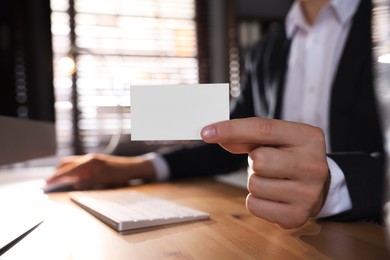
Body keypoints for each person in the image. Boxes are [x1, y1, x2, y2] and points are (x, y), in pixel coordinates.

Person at [46, 0, 385, 228]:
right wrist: (138, 166)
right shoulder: (267, 48)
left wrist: (335, 183)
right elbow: (228, 143)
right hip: (282, 235)